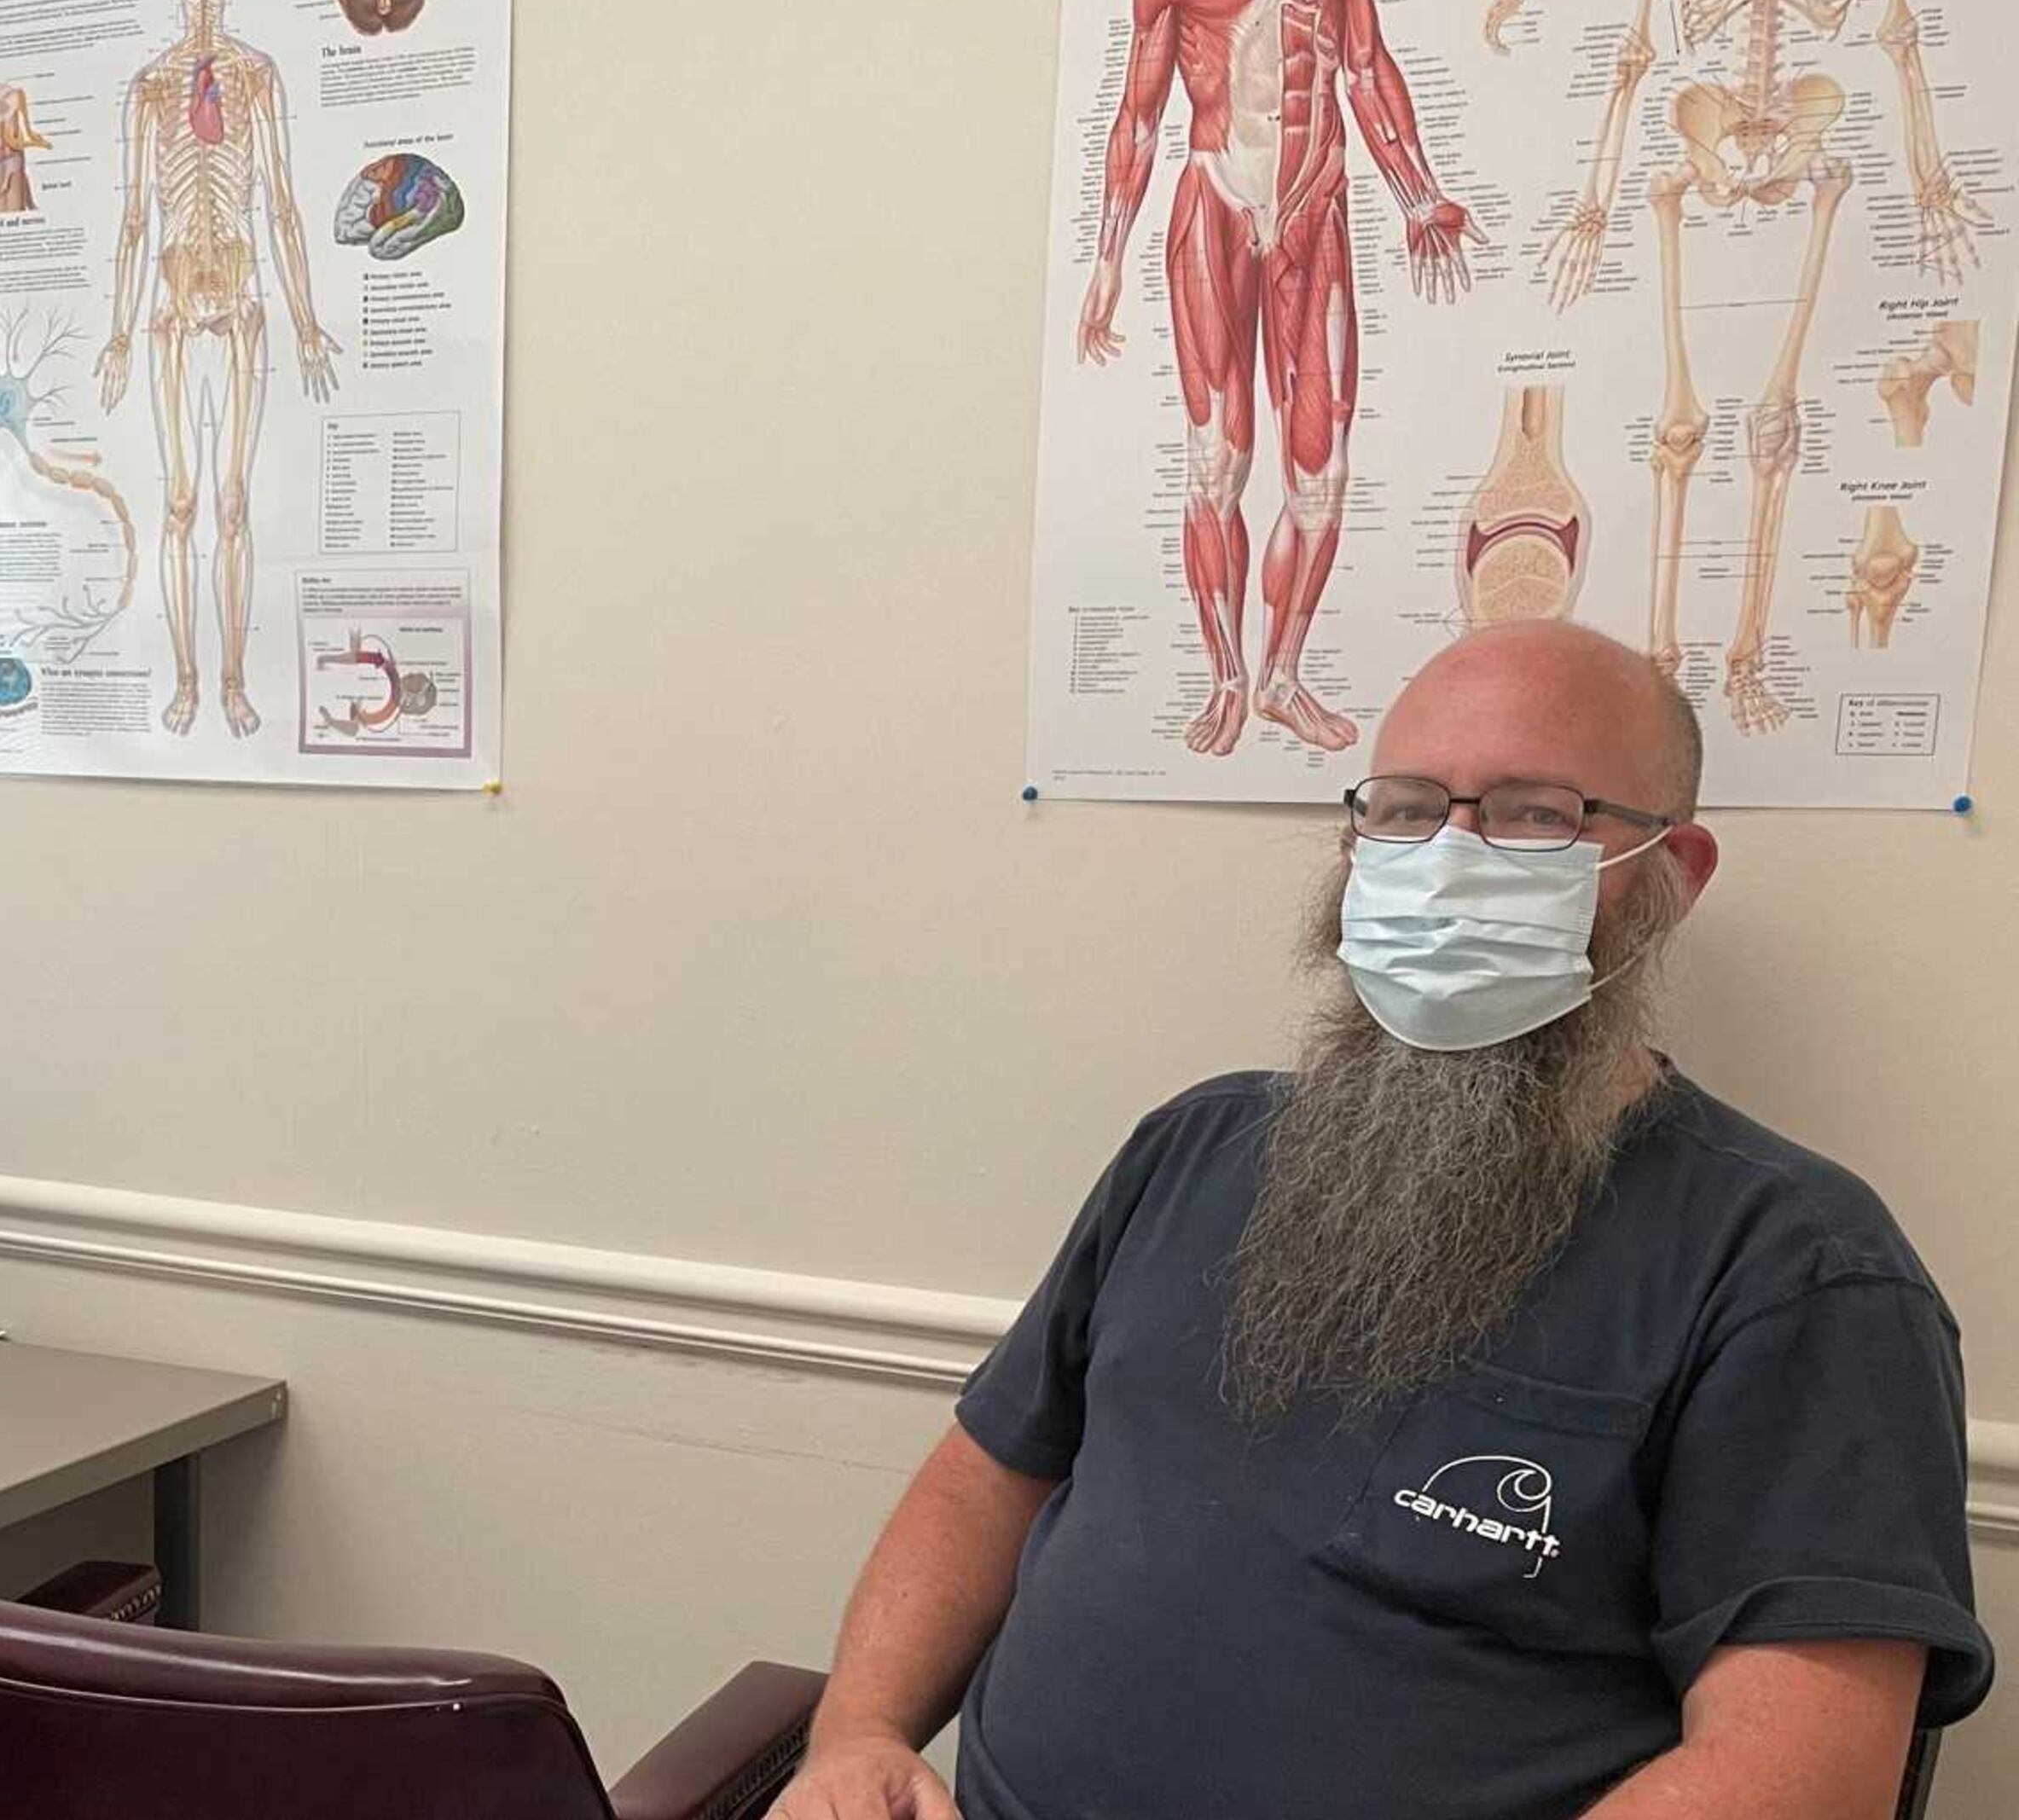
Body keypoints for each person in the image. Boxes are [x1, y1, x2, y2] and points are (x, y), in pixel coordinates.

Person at [772, 622, 1991, 1820]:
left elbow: (1807, 1773)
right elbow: (989, 1479)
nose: (1447, 860)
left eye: (1534, 814)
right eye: (1405, 810)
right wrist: (857, 1736)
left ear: (1675, 876)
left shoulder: (1796, 1269)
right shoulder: (1195, 1149)